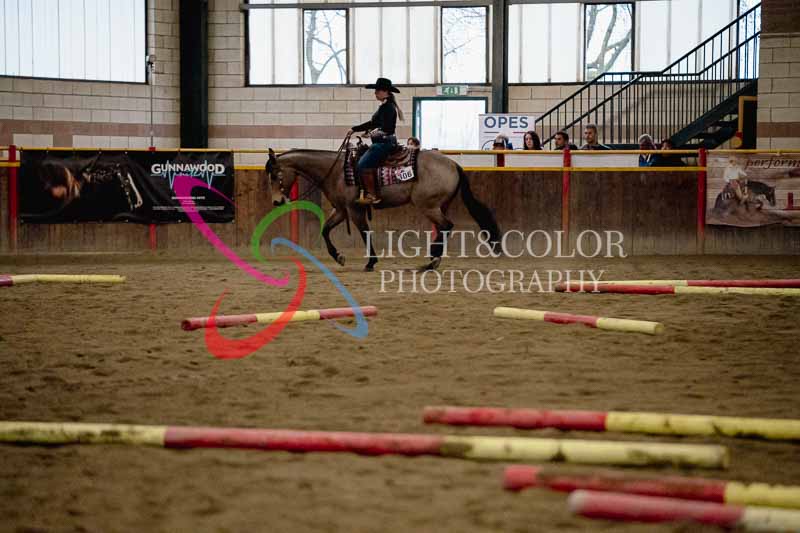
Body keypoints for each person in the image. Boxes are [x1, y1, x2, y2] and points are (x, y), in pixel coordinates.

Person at [348, 77, 403, 205]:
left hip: (385, 143)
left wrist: (372, 133)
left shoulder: (388, 107)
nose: (375, 93)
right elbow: (374, 123)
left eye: (377, 90)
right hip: (384, 142)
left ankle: (373, 195)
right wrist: (355, 129)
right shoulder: (385, 106)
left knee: (362, 164)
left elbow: (387, 129)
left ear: (385, 92)